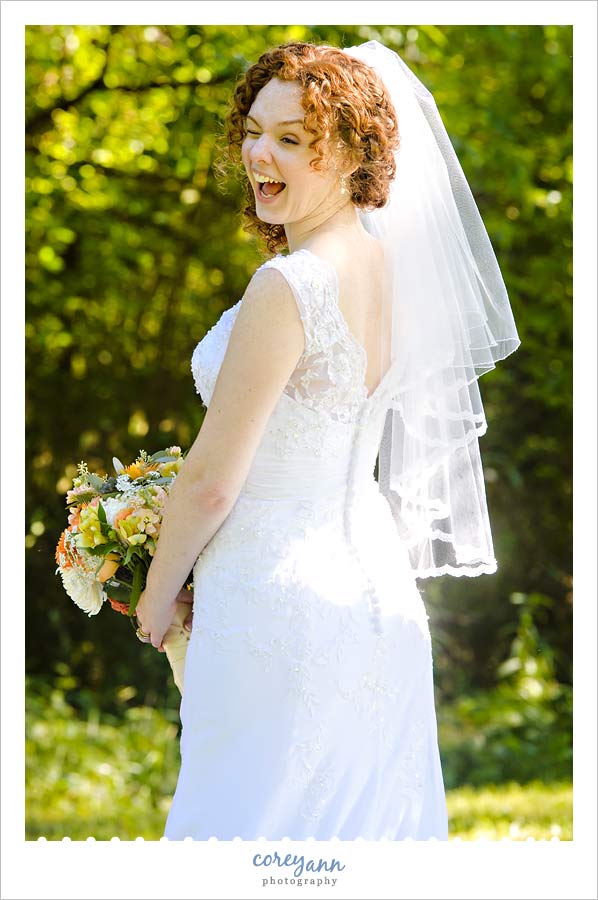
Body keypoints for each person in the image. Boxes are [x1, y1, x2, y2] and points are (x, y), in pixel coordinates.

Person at [135, 38, 519, 840]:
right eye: (252, 130)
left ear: (349, 151)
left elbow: (212, 479)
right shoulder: (384, 268)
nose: (257, 154)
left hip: (273, 602)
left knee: (241, 841)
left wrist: (156, 591)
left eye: (290, 139)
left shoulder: (289, 286)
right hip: (376, 593)